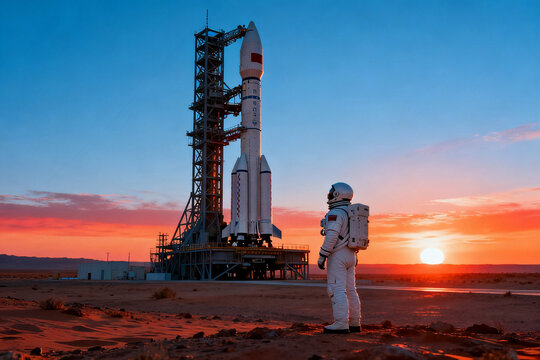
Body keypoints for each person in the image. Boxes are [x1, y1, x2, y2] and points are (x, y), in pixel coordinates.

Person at [318, 182, 361, 334]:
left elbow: (331, 236)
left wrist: (322, 255)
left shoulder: (335, 214)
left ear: (337, 195)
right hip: (351, 254)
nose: (329, 195)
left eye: (331, 193)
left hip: (338, 255)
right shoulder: (351, 213)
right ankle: (355, 322)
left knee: (336, 289)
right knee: (351, 290)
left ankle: (341, 323)